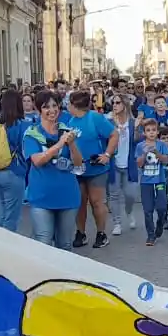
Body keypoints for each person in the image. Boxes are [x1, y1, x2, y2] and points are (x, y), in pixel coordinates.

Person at [23, 91, 84, 250]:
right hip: (41, 196)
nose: (51, 110)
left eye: (54, 106)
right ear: (38, 110)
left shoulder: (67, 130)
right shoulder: (32, 134)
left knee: (64, 244)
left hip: (67, 195)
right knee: (44, 242)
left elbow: (78, 163)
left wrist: (71, 144)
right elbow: (37, 161)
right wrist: (59, 144)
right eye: (46, 107)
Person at [66, 90, 118, 249]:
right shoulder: (71, 121)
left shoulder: (94, 118)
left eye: (69, 103)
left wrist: (107, 154)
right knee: (80, 202)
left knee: (96, 202)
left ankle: (101, 233)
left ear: (75, 105)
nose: (67, 106)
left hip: (96, 168)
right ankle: (80, 233)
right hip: (78, 168)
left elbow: (114, 134)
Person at [0, 90, 30, 232]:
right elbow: (26, 150)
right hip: (13, 171)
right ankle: (6, 249)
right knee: (11, 217)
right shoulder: (23, 125)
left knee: (1, 213)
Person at [106, 94, 140, 235]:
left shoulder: (132, 122)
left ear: (125, 105)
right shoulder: (109, 121)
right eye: (113, 103)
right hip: (114, 164)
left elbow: (137, 141)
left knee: (130, 195)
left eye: (118, 102)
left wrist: (137, 129)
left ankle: (129, 211)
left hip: (129, 164)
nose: (114, 105)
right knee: (114, 195)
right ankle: (117, 223)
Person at [135, 118, 168, 246]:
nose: (151, 133)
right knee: (148, 209)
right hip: (146, 182)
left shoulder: (161, 145)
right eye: (148, 130)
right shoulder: (140, 146)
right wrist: (144, 154)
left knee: (162, 207)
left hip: (160, 181)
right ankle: (151, 235)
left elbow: (166, 161)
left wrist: (158, 153)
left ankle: (160, 224)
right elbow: (139, 164)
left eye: (153, 130)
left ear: (157, 132)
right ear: (144, 132)